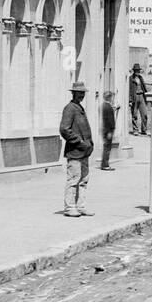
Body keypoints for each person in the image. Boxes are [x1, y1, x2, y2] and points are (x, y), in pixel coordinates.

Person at [60, 81, 94, 217]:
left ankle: (80, 206)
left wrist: (88, 144)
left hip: (84, 151)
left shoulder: (79, 108)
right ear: (73, 93)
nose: (81, 95)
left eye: (83, 93)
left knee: (84, 180)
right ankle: (70, 207)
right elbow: (64, 129)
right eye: (79, 93)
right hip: (75, 151)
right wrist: (79, 141)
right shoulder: (70, 108)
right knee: (73, 179)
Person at [99, 90, 118, 171]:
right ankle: (105, 165)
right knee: (107, 147)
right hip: (108, 131)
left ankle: (104, 163)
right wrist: (110, 132)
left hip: (104, 130)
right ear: (110, 98)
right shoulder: (108, 107)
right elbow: (110, 120)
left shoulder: (103, 106)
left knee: (106, 147)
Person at [129, 63, 149, 135]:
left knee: (144, 114)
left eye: (138, 70)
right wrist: (130, 100)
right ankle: (135, 130)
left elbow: (144, 88)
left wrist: (147, 96)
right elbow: (129, 90)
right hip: (134, 97)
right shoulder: (130, 79)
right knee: (134, 115)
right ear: (134, 71)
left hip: (141, 96)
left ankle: (144, 130)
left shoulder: (141, 78)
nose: (137, 72)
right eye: (136, 70)